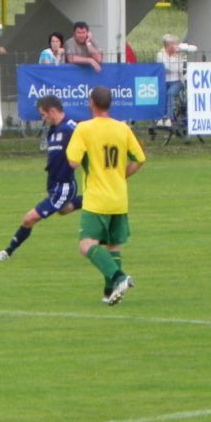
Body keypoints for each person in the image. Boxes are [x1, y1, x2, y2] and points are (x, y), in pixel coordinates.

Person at [66, 85, 146, 306]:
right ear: (110, 104)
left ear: (91, 103)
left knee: (86, 245)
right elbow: (140, 159)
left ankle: (120, 277)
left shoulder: (84, 129)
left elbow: (73, 162)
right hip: (119, 198)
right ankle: (110, 293)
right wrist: (121, 175)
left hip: (96, 200)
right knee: (113, 246)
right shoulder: (122, 128)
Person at [0, 95, 82, 262]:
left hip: (63, 186)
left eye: (43, 114)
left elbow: (89, 144)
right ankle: (91, 198)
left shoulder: (70, 128)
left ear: (52, 111)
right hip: (53, 184)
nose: (42, 118)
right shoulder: (54, 130)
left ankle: (7, 252)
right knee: (64, 209)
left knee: (29, 218)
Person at [156, 33, 184, 125]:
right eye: (174, 44)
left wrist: (175, 58)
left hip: (177, 81)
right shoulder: (160, 55)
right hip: (164, 81)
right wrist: (173, 60)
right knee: (162, 94)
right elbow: (165, 67)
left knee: (170, 93)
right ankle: (160, 117)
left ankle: (169, 117)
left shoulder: (179, 55)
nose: (176, 46)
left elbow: (179, 69)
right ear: (168, 45)